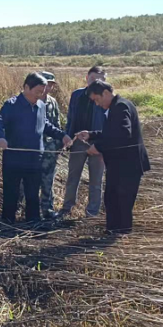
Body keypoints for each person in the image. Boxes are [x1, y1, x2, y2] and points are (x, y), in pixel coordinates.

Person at [0, 73, 72, 224]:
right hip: (14, 159)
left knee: (33, 194)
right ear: (26, 87)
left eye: (42, 92)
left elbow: (45, 125)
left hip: (35, 159)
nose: (40, 95)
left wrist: (62, 135)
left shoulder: (41, 105)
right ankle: (8, 223)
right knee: (11, 193)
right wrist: (0, 138)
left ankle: (33, 222)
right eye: (38, 91)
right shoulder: (12, 105)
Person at [76, 80, 150, 233]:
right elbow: (112, 133)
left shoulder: (121, 107)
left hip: (127, 166)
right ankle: (112, 232)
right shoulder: (117, 106)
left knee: (122, 203)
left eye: (97, 99)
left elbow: (123, 134)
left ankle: (119, 237)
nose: (96, 104)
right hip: (119, 165)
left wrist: (99, 147)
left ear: (105, 93)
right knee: (111, 200)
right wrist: (91, 135)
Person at [59, 66, 108, 217]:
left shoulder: (107, 98)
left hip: (98, 144)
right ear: (86, 78)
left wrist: (103, 144)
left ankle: (92, 212)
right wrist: (68, 138)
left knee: (96, 180)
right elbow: (70, 118)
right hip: (78, 141)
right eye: (93, 79)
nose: (96, 82)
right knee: (73, 177)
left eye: (100, 80)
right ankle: (66, 209)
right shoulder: (77, 95)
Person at [39, 71, 62, 219]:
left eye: (51, 85)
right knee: (26, 180)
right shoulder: (30, 100)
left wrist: (59, 144)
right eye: (47, 84)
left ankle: (47, 209)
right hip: (33, 148)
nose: (49, 87)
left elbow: (57, 123)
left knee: (48, 180)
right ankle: (22, 208)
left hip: (50, 148)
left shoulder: (52, 102)